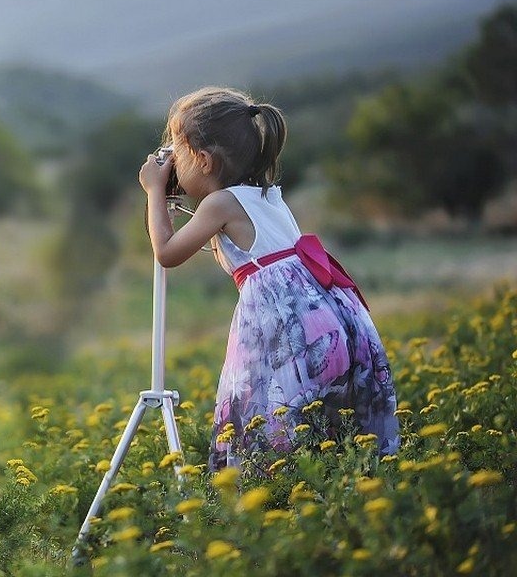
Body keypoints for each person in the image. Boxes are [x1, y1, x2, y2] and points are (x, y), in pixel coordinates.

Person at [138, 86, 398, 470]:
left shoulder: (219, 203)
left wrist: (154, 191)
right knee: (325, 425)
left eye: (178, 152)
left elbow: (167, 252)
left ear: (205, 160)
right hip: (333, 321)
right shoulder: (267, 194)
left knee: (267, 417)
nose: (172, 163)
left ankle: (270, 494)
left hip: (285, 331)